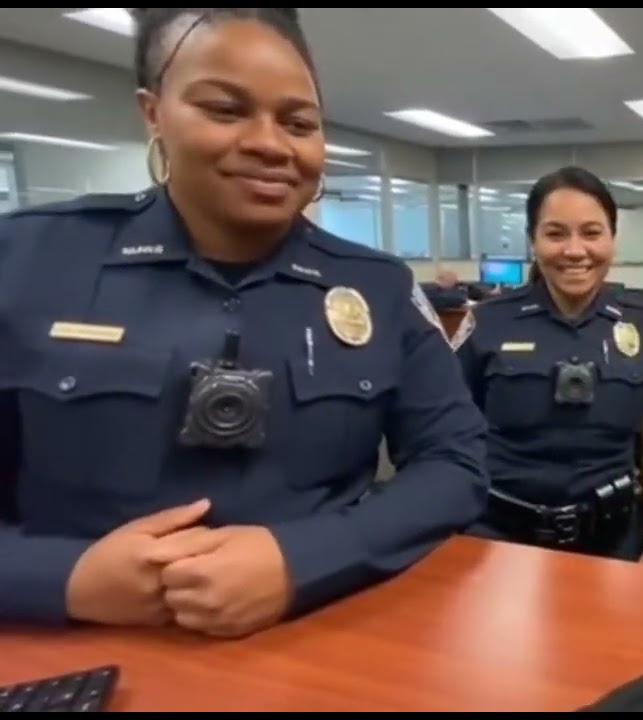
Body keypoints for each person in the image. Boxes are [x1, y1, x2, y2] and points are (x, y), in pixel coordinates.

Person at [0, 7, 489, 638]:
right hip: (73, 646)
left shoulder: (375, 286)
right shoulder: (28, 261)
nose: (269, 142)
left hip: (316, 632)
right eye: (225, 110)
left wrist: (303, 560)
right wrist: (65, 576)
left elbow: (456, 463)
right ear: (154, 113)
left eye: (299, 122)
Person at [453, 166, 643, 565]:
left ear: (612, 239)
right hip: (497, 539)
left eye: (591, 233)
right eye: (556, 233)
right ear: (533, 241)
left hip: (614, 542)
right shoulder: (487, 323)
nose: (575, 251)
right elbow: (447, 436)